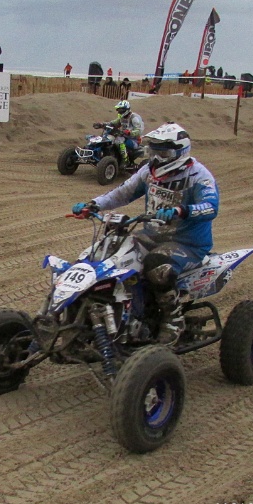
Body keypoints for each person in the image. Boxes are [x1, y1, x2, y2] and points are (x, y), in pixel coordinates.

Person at [71, 122, 219, 344]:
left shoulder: (199, 176)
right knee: (106, 252)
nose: (158, 158)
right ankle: (100, 313)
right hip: (153, 235)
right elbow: (122, 193)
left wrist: (182, 210)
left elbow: (211, 207)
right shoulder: (148, 171)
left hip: (188, 243)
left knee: (156, 265)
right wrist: (94, 204)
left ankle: (173, 319)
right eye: (154, 151)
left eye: (164, 152)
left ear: (180, 152)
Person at [93, 100, 143, 168]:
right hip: (124, 136)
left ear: (126, 109)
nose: (119, 111)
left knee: (118, 140)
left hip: (134, 140)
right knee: (107, 138)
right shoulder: (121, 118)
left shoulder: (134, 118)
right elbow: (113, 123)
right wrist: (102, 124)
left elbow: (139, 131)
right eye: (118, 110)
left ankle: (125, 160)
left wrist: (130, 132)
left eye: (121, 110)